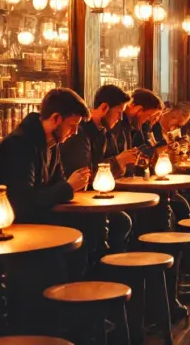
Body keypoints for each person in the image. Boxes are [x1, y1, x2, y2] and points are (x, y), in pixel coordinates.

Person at [0, 88, 91, 224]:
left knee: (95, 221)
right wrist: (69, 187)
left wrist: (73, 184)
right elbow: (23, 202)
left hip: (33, 219)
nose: (75, 132)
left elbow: (57, 183)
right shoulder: (21, 144)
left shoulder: (52, 143)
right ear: (56, 118)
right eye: (72, 125)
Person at [59, 85, 134, 262]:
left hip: (90, 199)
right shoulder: (80, 133)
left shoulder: (102, 133)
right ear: (104, 108)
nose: (121, 117)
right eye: (118, 112)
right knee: (120, 222)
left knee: (125, 220)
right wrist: (119, 162)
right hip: (75, 204)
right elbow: (85, 174)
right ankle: (107, 272)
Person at [110, 88, 163, 158]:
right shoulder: (117, 125)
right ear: (138, 109)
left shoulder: (127, 126)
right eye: (148, 115)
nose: (148, 120)